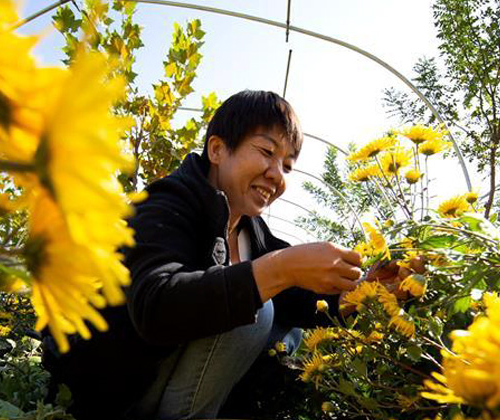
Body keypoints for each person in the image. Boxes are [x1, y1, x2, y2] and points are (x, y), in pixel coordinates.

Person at [42, 90, 365, 420]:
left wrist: (366, 295)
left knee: (284, 325)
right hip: (115, 390)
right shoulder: (168, 204)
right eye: (267, 152)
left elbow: (301, 297)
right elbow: (155, 306)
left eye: (287, 166)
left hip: (171, 385)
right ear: (217, 149)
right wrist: (279, 270)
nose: (276, 175)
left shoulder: (252, 232)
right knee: (257, 311)